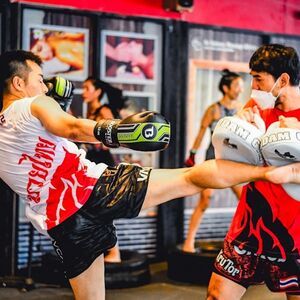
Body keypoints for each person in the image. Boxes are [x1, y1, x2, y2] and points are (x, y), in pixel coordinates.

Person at [0, 50, 298, 300]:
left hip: (62, 222)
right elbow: (73, 128)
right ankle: (268, 173)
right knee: (190, 178)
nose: (45, 87)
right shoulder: (32, 104)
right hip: (95, 188)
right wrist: (118, 131)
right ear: (17, 83)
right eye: (39, 79)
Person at [206, 44, 300, 300]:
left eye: (258, 79)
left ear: (283, 80)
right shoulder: (256, 108)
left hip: (294, 233)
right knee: (217, 295)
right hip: (250, 225)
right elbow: (234, 162)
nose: (253, 87)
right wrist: (239, 125)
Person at [183, 69, 244, 253]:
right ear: (226, 88)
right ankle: (189, 241)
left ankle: (241, 242)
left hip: (234, 159)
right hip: (214, 158)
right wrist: (192, 155)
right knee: (205, 200)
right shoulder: (213, 109)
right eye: (237, 86)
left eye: (241, 86)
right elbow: (201, 133)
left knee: (244, 202)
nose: (240, 90)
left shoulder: (241, 109)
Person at [82, 76, 122, 262]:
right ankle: (103, 249)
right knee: (94, 209)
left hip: (103, 164)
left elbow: (115, 139)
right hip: (92, 163)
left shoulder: (104, 111)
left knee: (103, 209)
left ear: (97, 92)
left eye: (87, 88)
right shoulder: (90, 111)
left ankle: (115, 253)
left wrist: (97, 143)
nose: (84, 92)